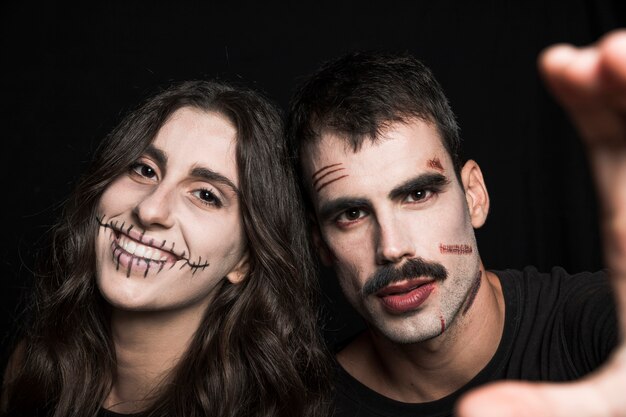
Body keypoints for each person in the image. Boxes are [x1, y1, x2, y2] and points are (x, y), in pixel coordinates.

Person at [286, 29, 626, 417]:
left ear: (474, 196)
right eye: (351, 214)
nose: (392, 248)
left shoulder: (591, 324)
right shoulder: (300, 406)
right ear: (319, 242)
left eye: (417, 195)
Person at [1, 79, 331, 417]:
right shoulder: (32, 365)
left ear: (245, 261)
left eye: (205, 195)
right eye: (144, 170)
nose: (150, 210)